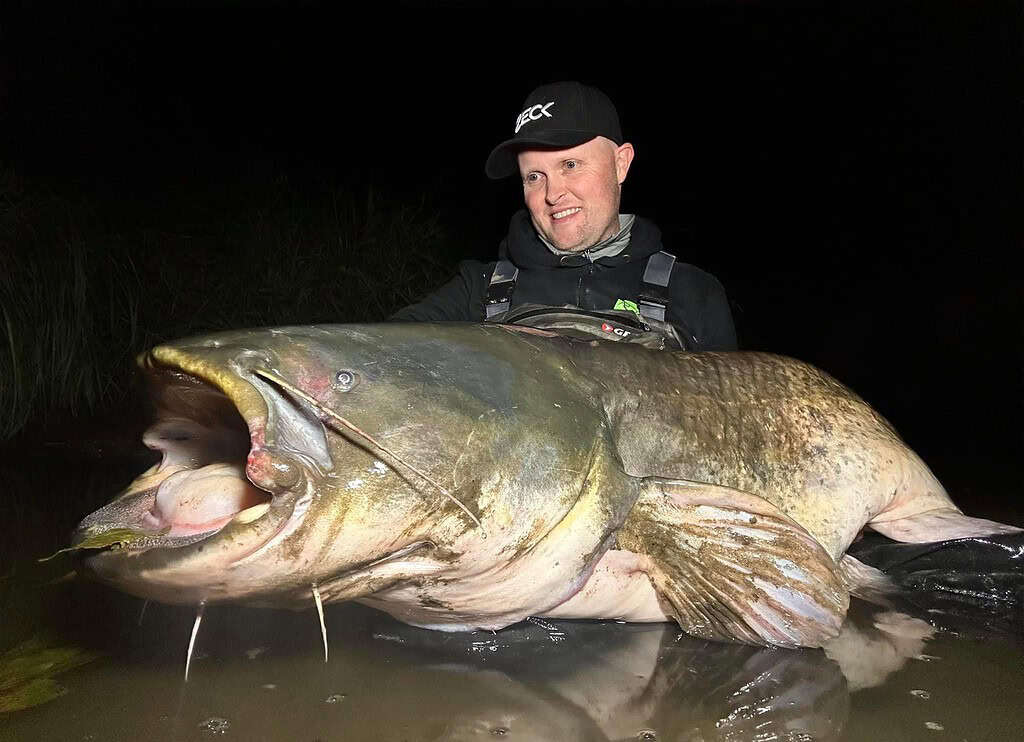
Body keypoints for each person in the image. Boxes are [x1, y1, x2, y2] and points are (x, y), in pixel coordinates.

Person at [392, 81, 738, 351]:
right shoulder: (481, 291)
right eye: (533, 176)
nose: (552, 194)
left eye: (570, 165)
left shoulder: (693, 293)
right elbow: (379, 350)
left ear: (621, 163)